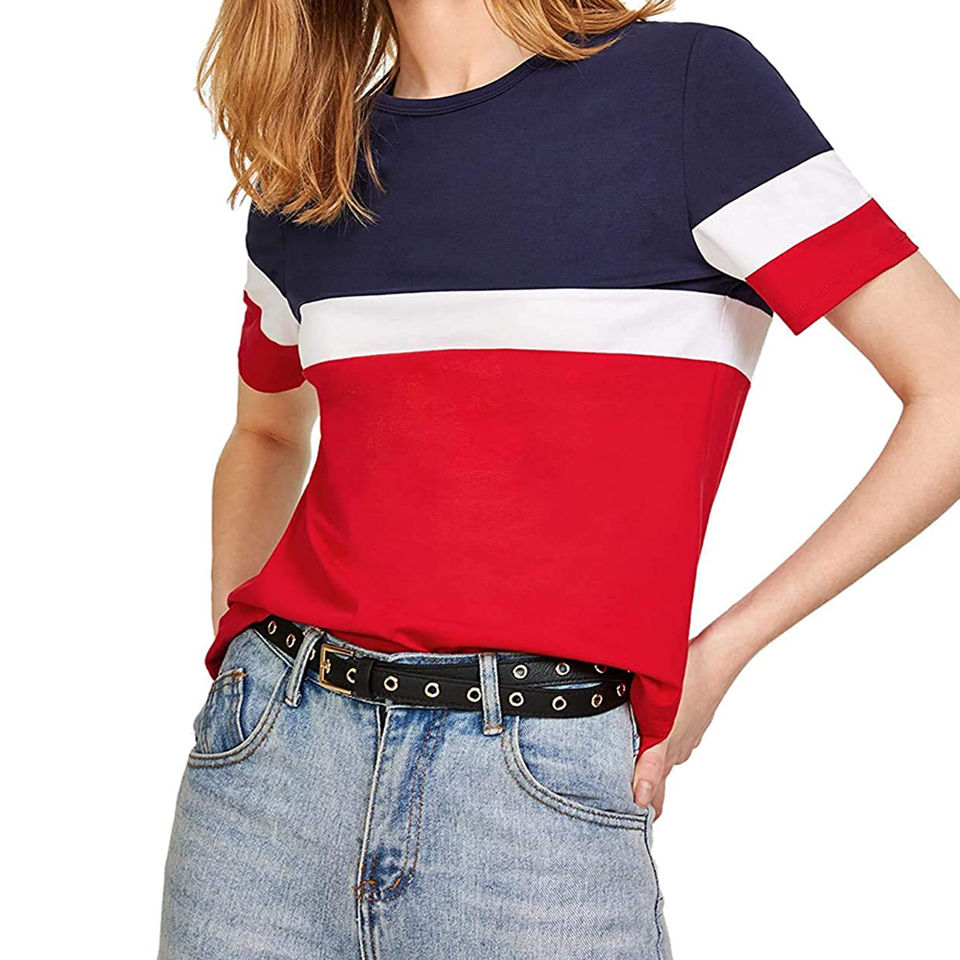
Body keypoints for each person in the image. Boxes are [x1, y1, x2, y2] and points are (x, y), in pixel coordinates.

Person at [158, 1, 960, 957]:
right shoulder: (314, 164)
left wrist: (718, 655)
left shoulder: (688, 93)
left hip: (538, 793)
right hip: (266, 783)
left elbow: (947, 391)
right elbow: (265, 431)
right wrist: (236, 654)